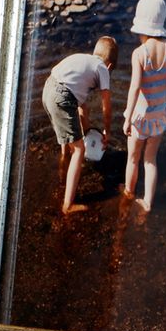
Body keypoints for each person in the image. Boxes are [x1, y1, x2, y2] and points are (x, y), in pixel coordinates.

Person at [41, 36, 117, 215]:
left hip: (48, 89)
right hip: (62, 97)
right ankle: (68, 205)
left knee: (68, 136)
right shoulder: (103, 69)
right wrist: (107, 130)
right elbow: (107, 106)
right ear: (110, 66)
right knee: (80, 150)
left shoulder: (84, 62)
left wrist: (87, 132)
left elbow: (82, 110)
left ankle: (64, 159)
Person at [122, 0, 166, 213]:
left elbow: (135, 87)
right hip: (159, 116)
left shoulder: (139, 53)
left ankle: (128, 192)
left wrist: (128, 118)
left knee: (133, 159)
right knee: (150, 160)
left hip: (140, 115)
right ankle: (147, 203)